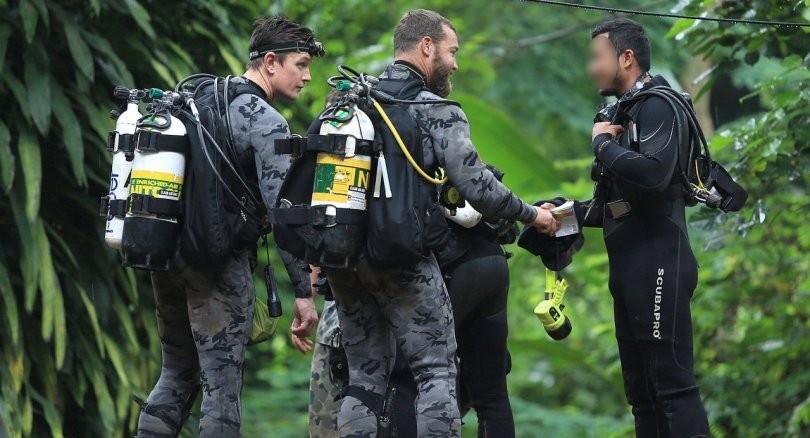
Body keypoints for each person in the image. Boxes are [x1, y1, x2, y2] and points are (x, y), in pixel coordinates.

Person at [321, 9, 560, 438]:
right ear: (427, 47)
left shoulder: (348, 103)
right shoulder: (434, 108)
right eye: (452, 52)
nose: (456, 63)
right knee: (434, 371)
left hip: (344, 259)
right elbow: (478, 188)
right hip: (403, 258)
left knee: (364, 380)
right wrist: (533, 214)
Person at [136, 16, 321, 437]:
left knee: (175, 374)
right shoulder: (264, 118)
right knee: (221, 388)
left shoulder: (195, 99)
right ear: (270, 62)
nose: (308, 77)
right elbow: (284, 211)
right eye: (302, 64)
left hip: (167, 255)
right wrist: (304, 292)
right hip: (218, 266)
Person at [584, 18, 710, 438]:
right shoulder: (620, 112)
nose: (591, 68)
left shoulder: (659, 104)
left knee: (672, 388)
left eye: (597, 58)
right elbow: (615, 205)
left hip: (660, 260)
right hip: (629, 265)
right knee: (641, 393)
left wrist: (602, 144)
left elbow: (656, 175)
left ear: (626, 58)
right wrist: (555, 216)